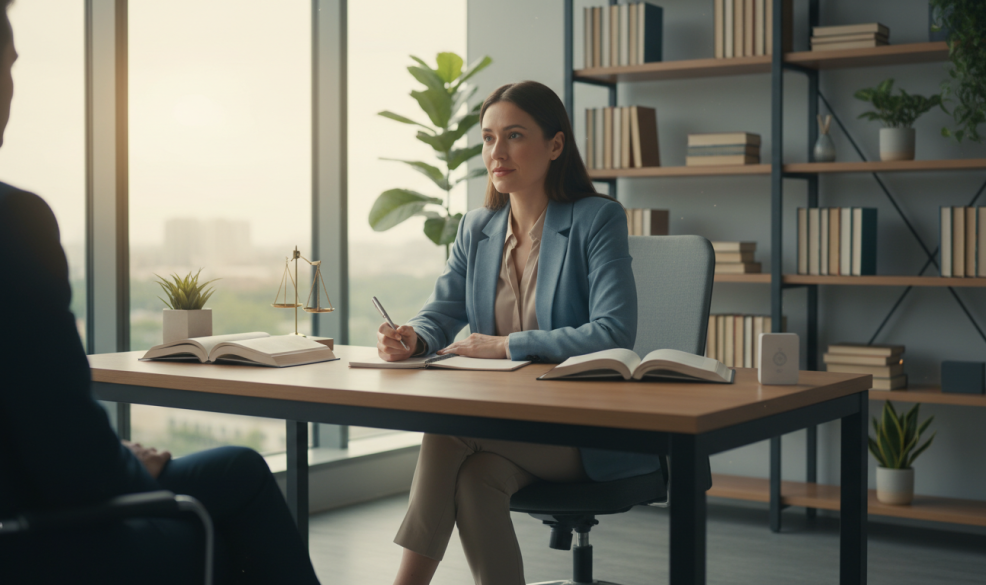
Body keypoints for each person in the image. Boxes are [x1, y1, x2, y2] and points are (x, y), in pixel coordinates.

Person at [0, 4, 320, 583]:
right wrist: (131, 465)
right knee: (239, 481)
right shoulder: (11, 222)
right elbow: (68, 451)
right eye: (11, 64)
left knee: (230, 476)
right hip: (33, 539)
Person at [376, 80, 662, 585]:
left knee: (446, 429)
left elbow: (613, 332)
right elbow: (440, 313)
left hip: (585, 430)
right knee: (476, 478)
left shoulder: (597, 218)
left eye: (513, 136)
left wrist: (507, 345)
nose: (497, 152)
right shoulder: (478, 228)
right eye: (488, 138)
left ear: (555, 145)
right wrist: (414, 339)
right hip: (509, 425)